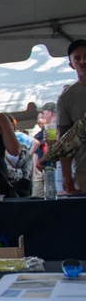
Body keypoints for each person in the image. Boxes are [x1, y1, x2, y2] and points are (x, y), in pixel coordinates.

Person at [57, 39, 86, 194]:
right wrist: (66, 177)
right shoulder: (66, 99)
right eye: (77, 58)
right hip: (83, 171)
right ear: (71, 65)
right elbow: (64, 140)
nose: (83, 61)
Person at [31, 102, 59, 197]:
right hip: (45, 167)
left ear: (50, 113)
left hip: (51, 166)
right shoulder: (45, 129)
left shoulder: (57, 126)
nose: (42, 116)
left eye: (43, 113)